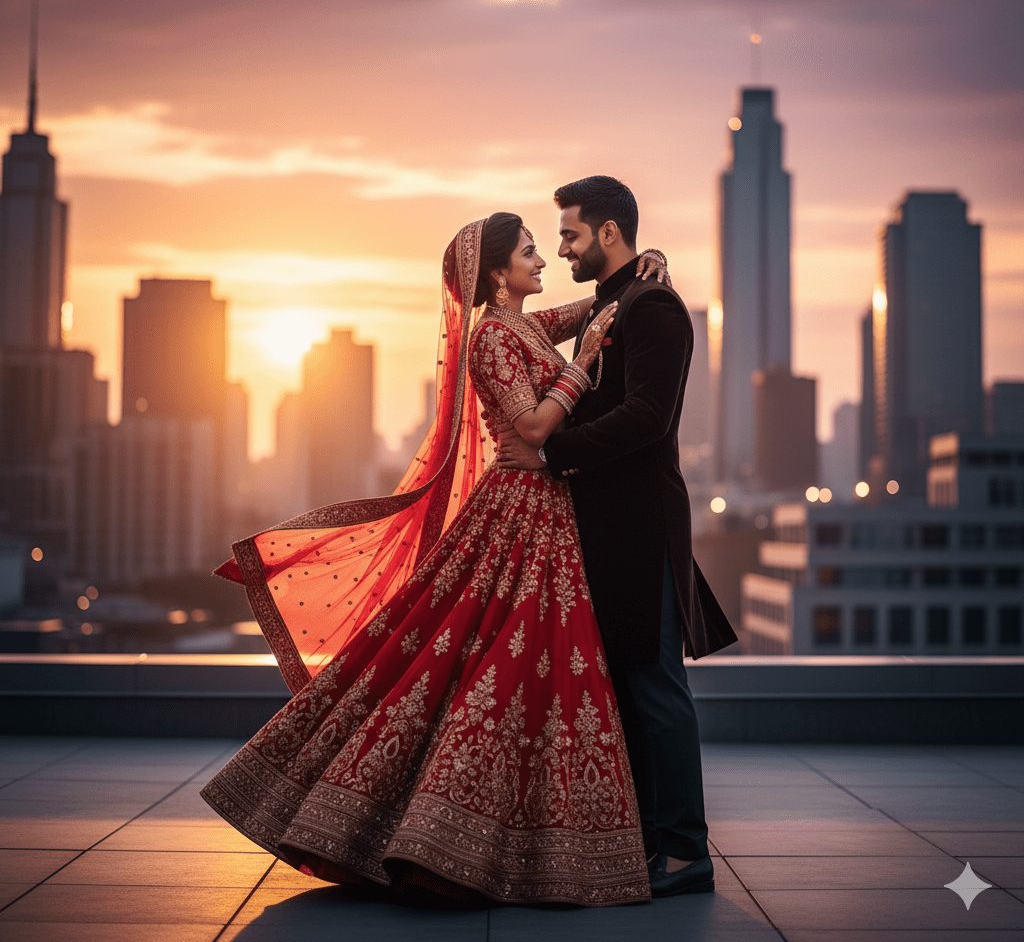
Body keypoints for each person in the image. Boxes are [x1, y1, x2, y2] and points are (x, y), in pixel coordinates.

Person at [199, 213, 674, 906]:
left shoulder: (527, 326)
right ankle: (438, 838)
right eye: (529, 252)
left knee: (528, 670)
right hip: (518, 509)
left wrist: (646, 261)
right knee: (488, 666)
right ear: (495, 272)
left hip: (549, 513)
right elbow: (534, 428)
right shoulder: (491, 338)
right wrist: (581, 363)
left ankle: (511, 839)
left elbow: (599, 308)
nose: (542, 260)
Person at [497, 176, 738, 898]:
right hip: (598, 529)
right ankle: (646, 842)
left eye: (568, 234)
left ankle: (686, 852)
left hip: (638, 529)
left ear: (607, 233)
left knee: (657, 687)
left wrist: (550, 454)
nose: (560, 248)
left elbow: (647, 419)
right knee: (625, 689)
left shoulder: (652, 305)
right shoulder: (612, 302)